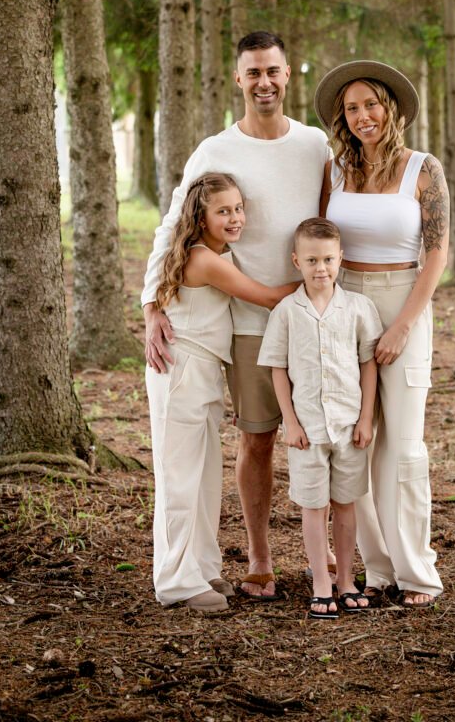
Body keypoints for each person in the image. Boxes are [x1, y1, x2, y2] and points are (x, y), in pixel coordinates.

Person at [142, 32, 329, 600]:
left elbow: (331, 217)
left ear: (288, 73)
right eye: (253, 73)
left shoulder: (315, 144)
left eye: (272, 71)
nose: (264, 82)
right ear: (238, 78)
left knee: (328, 436)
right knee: (256, 441)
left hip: (313, 320)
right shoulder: (214, 150)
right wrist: (151, 305)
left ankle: (329, 560)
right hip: (246, 326)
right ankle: (259, 560)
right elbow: (172, 226)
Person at [315, 60, 449, 608]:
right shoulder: (334, 171)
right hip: (345, 301)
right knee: (355, 439)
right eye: (351, 108)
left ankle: (417, 571)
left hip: (403, 300)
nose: (362, 115)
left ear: (390, 108)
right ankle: (378, 568)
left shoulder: (423, 168)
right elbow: (320, 239)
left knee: (404, 445)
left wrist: (402, 325)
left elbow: (436, 255)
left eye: (370, 103)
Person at [146, 173, 296, 613]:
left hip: (205, 371)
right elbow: (268, 298)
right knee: (180, 480)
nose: (235, 218)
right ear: (201, 218)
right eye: (223, 211)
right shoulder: (202, 259)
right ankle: (175, 581)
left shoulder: (215, 254)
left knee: (205, 477)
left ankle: (201, 567)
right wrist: (321, 273)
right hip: (181, 371)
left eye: (238, 208)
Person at [258, 218, 382, 619]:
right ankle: (321, 585)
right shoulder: (286, 312)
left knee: (345, 504)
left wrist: (366, 418)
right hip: (307, 431)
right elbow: (277, 368)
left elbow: (368, 365)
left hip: (348, 426)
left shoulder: (359, 308)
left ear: (340, 258)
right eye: (311, 260)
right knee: (313, 506)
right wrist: (290, 422)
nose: (321, 268)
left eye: (328, 259)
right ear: (297, 261)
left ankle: (346, 580)